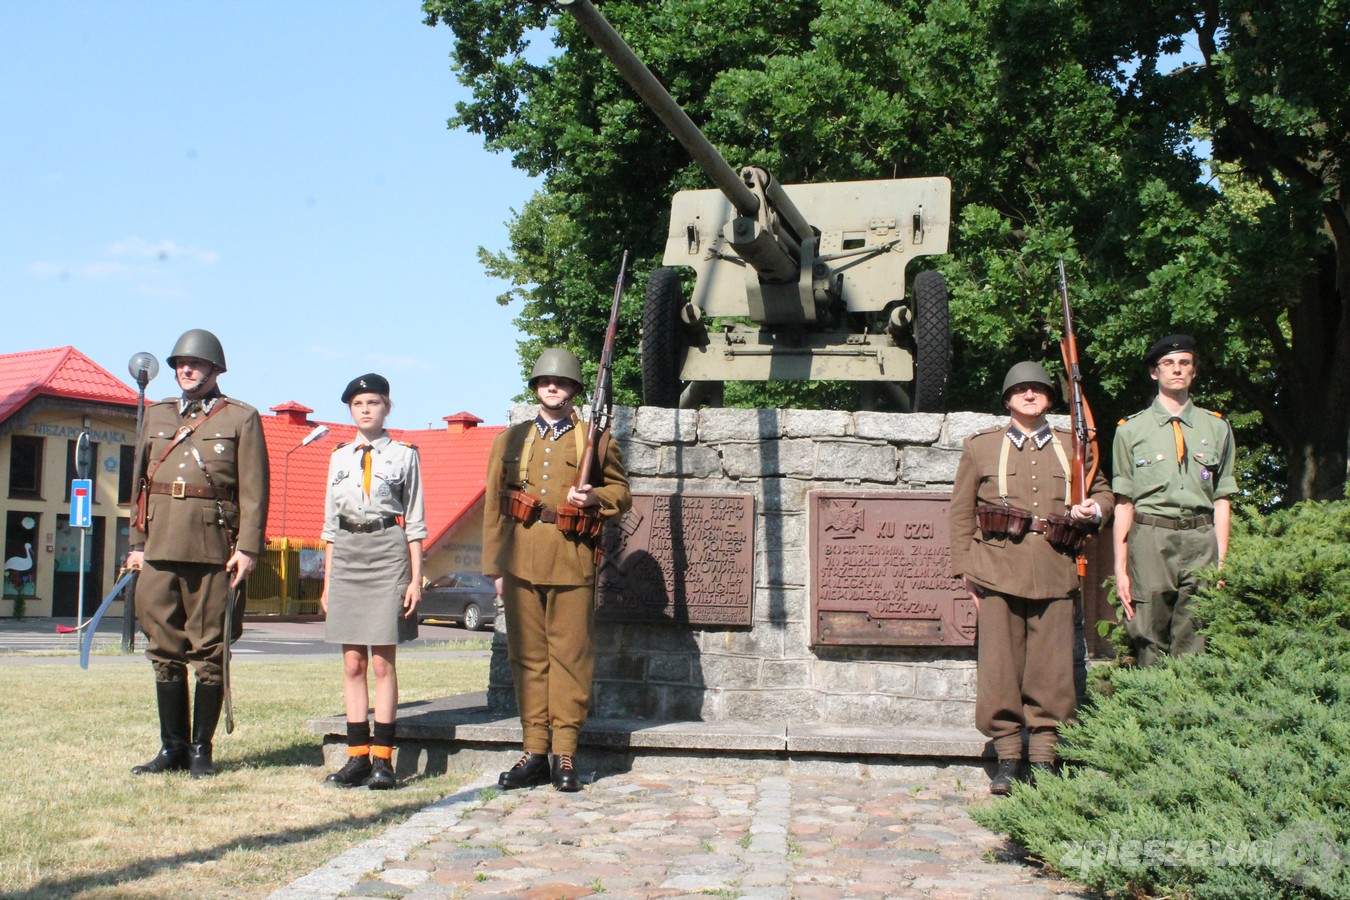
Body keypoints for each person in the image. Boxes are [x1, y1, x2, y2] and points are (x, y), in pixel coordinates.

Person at [949, 361, 1113, 795]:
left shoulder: (1072, 446)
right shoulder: (981, 448)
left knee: (1053, 669)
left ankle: (1044, 755)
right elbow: (961, 512)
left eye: (1037, 389)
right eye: (1020, 389)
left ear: (1049, 399)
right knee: (999, 667)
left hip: (1056, 567)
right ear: (1007, 399)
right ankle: (1007, 754)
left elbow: (1103, 494)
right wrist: (966, 570)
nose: (1028, 395)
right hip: (997, 568)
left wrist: (1093, 511)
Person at [483, 348, 631, 792]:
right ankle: (534, 751)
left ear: (575, 391)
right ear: (535, 387)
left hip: (572, 558)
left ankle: (565, 752)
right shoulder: (510, 439)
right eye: (546, 381)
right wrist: (495, 565)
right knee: (526, 658)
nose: (553, 387)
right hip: (520, 559)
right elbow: (494, 505)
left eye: (562, 382)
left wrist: (596, 500)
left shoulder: (595, 439)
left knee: (570, 658)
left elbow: (621, 493)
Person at [126, 328, 269, 778]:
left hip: (214, 549)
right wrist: (136, 544)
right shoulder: (156, 415)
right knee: (163, 648)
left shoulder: (240, 418)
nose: (185, 370)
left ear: (214, 370)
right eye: (179, 365)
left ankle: (201, 748)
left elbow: (254, 490)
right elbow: (140, 486)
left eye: (195, 364)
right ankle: (172, 749)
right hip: (160, 546)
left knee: (209, 649)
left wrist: (247, 547)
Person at [319, 374, 426, 790]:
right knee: (352, 663)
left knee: (382, 662)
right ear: (350, 410)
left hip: (387, 551)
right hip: (347, 552)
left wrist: (415, 579)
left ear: (387, 408)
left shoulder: (405, 455)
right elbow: (329, 527)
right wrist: (328, 582)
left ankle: (383, 759)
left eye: (374, 402)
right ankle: (356, 757)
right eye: (358, 403)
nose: (365, 409)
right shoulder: (339, 456)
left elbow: (415, 522)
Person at [1112, 334, 1237, 666]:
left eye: (1184, 363)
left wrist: (1222, 561)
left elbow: (1223, 498)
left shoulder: (1217, 428)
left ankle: (1187, 713)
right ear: (1155, 373)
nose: (1176, 370)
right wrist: (1119, 567)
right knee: (1149, 637)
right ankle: (1151, 710)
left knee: (1197, 634)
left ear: (1193, 372)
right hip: (1151, 538)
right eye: (1168, 364)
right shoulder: (1130, 431)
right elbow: (1124, 502)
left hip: (1201, 538)